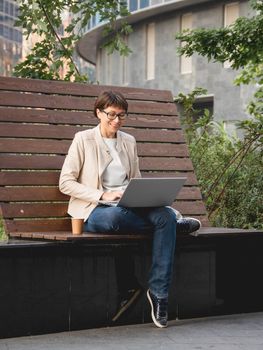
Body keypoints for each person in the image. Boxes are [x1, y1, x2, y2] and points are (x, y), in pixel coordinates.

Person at [59, 91, 201, 328]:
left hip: (130, 207)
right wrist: (103, 194)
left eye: (122, 116)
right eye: (111, 115)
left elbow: (135, 179)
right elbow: (65, 182)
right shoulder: (83, 139)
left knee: (164, 215)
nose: (116, 121)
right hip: (96, 209)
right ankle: (175, 226)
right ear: (99, 113)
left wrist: (141, 196)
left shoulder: (128, 141)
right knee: (125, 219)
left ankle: (159, 294)